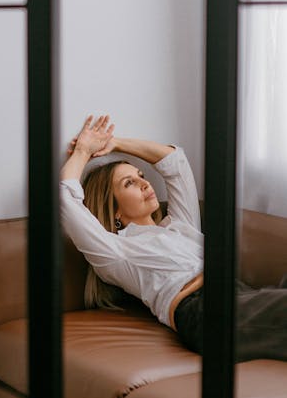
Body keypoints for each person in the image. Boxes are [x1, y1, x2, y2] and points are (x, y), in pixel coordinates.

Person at [60, 114, 287, 362]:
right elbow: (64, 198)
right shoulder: (117, 252)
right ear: (114, 209)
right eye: (130, 183)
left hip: (240, 293)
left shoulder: (179, 225)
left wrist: (115, 143)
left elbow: (174, 161)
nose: (144, 184)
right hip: (205, 311)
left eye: (141, 176)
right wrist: (83, 150)